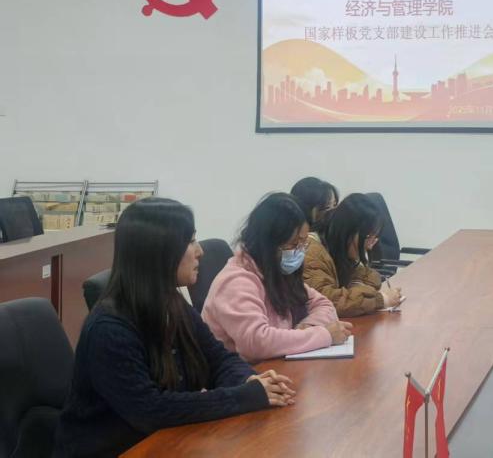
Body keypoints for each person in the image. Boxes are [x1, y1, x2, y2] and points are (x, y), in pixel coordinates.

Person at [55, 199, 296, 458]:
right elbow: (151, 410)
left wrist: (248, 380)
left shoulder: (172, 303)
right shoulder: (109, 329)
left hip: (169, 441)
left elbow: (219, 358)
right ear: (159, 252)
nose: (200, 251)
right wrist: (242, 397)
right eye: (190, 241)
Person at [202, 192, 352, 362]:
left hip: (276, 365)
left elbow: (324, 305)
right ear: (269, 243)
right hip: (247, 372)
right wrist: (323, 335)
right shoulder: (236, 281)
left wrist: (307, 327)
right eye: (294, 244)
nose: (300, 251)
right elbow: (256, 343)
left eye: (303, 243)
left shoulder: (276, 271)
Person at [304, 193, 403, 317]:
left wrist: (357, 288)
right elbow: (329, 303)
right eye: (368, 237)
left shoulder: (340, 247)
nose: (370, 246)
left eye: (375, 238)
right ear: (347, 231)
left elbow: (372, 279)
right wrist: (381, 300)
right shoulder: (311, 253)